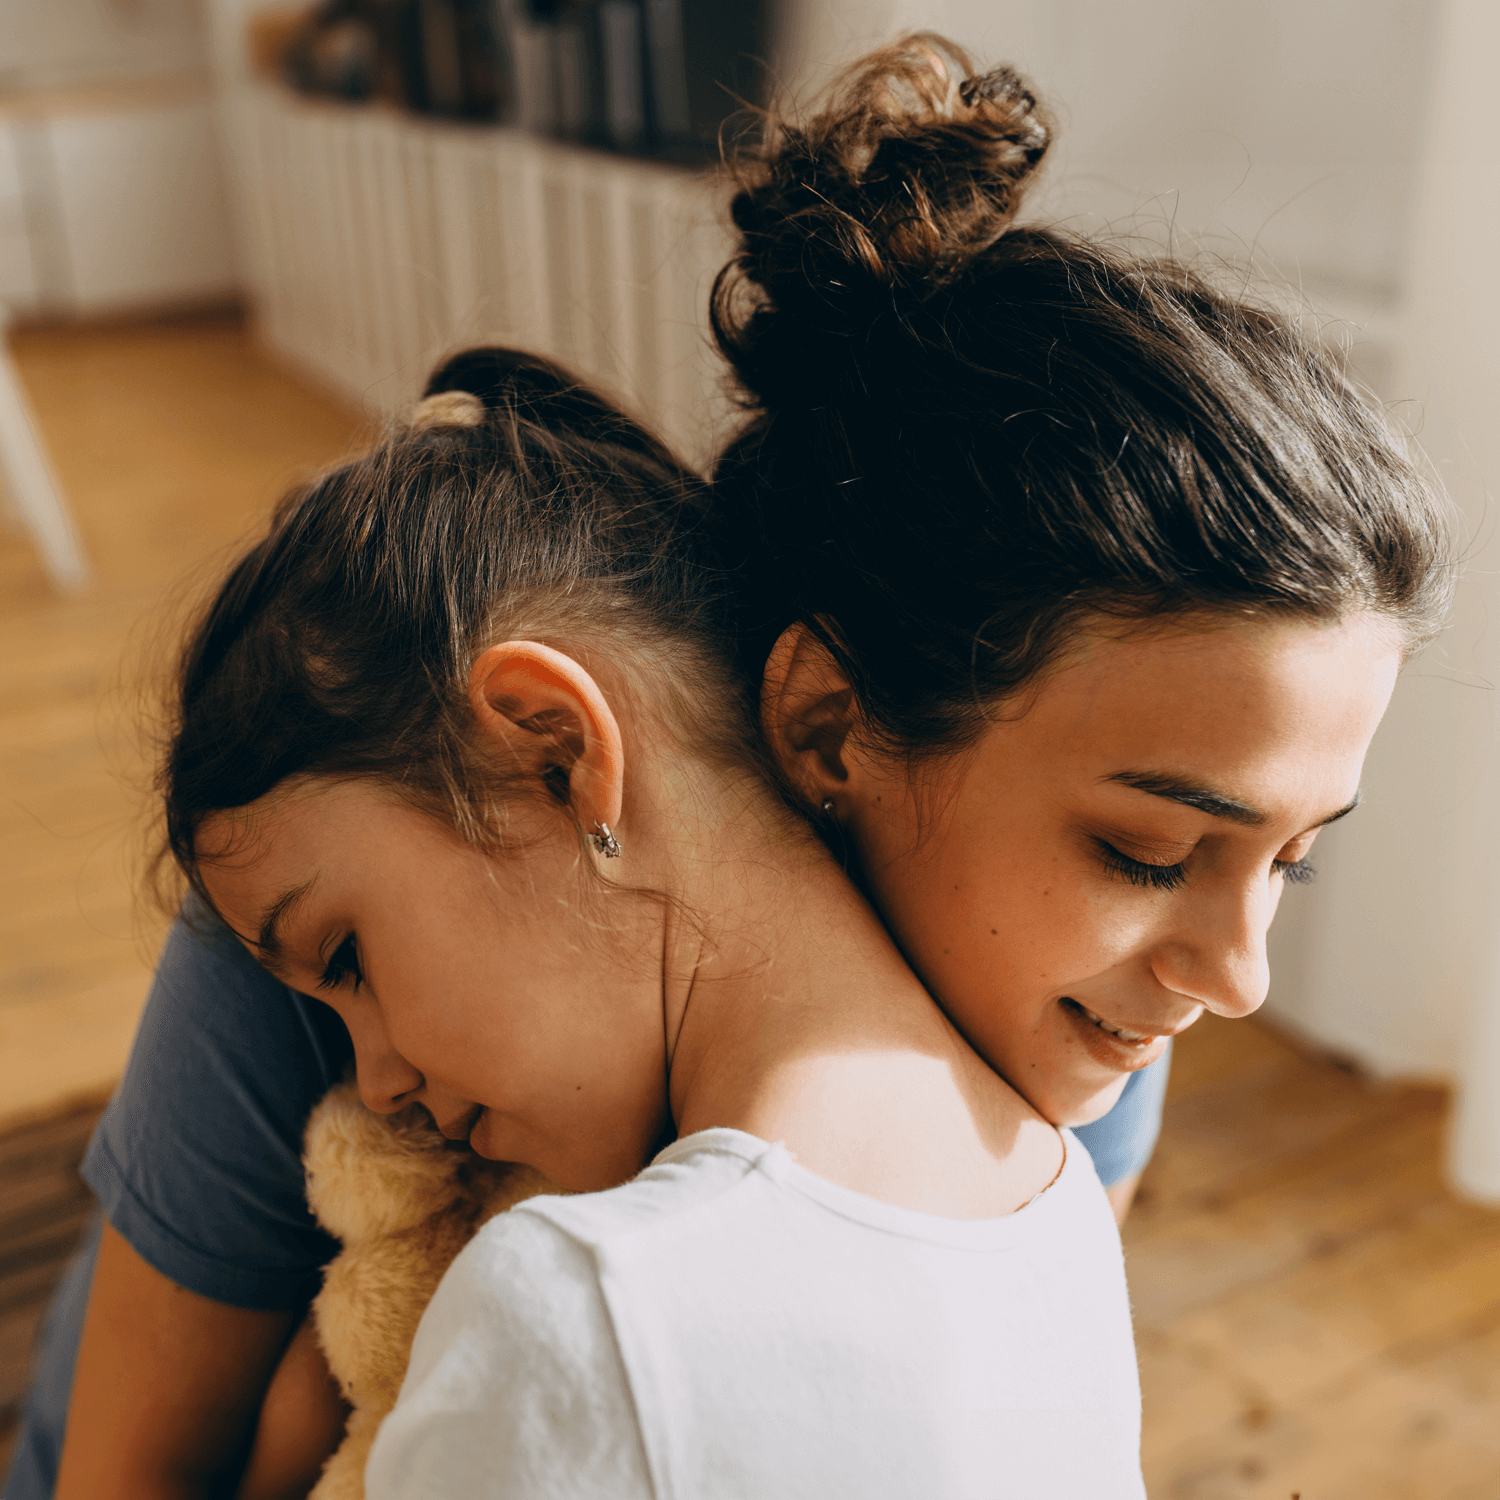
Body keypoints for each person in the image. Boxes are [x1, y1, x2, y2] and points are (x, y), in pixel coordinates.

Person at [6, 31, 1449, 1500]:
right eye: (1147, 850)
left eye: (1294, 855)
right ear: (824, 726)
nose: (1239, 974)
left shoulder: (1083, 1048)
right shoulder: (350, 873)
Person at [163, 362, 1145, 1498]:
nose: (375, 1084)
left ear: (557, 752)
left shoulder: (578, 1311)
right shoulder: (1054, 1189)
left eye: (348, 961)